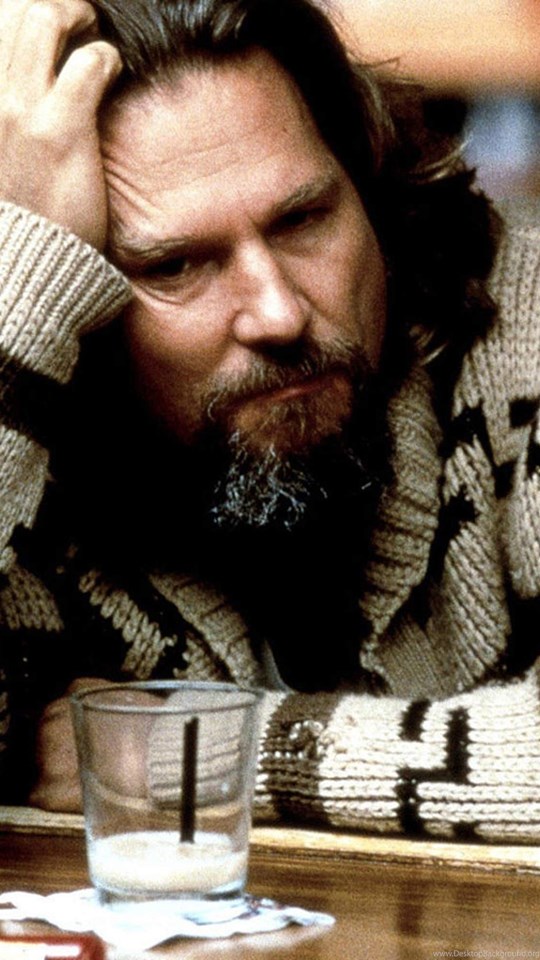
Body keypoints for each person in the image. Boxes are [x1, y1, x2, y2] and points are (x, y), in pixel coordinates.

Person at [0, 0, 539, 842]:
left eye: (303, 219)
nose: (280, 313)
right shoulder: (31, 429)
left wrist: (206, 754)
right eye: (175, 266)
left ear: (364, 184)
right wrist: (17, 311)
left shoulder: (522, 324)